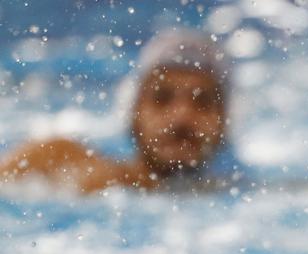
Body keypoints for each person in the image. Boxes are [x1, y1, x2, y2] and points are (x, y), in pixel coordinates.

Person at [0, 30, 229, 193]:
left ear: (224, 120)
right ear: (134, 112)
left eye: (203, 103)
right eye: (162, 99)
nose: (182, 116)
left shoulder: (233, 194)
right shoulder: (60, 162)